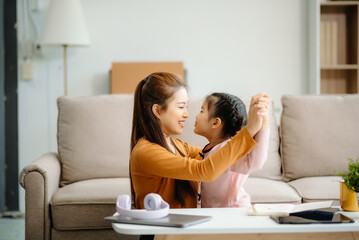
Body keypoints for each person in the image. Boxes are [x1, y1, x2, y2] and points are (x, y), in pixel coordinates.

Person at [130, 72, 269, 209]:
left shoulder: (178, 146)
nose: (187, 114)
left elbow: (216, 155)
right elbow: (204, 170)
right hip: (160, 230)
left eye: (186, 107)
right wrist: (249, 130)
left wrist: (261, 124)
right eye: (180, 106)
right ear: (158, 111)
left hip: (182, 226)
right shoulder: (145, 152)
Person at [194, 93, 269, 208]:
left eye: (201, 111)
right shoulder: (212, 148)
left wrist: (263, 125)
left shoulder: (228, 149)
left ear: (215, 122)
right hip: (216, 213)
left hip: (233, 213)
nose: (196, 116)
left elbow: (255, 163)